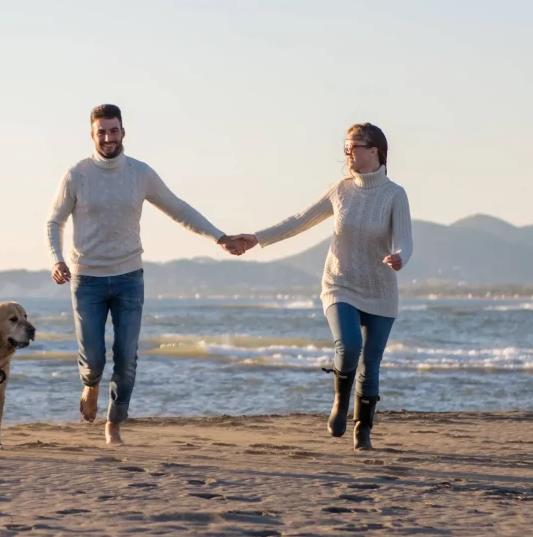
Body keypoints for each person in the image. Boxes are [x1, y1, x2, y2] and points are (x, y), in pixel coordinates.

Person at [47, 104, 235, 445]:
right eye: (102, 132)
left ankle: (114, 423)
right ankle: (90, 384)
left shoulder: (140, 173)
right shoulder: (76, 175)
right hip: (87, 280)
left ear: (123, 132)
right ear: (92, 135)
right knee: (93, 358)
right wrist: (57, 260)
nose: (108, 138)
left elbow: (178, 208)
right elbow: (54, 221)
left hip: (129, 277)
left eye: (113, 131)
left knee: (126, 357)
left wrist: (218, 237)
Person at [223, 122, 412, 451]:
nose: (347, 153)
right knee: (349, 346)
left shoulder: (394, 194)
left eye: (353, 147)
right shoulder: (340, 190)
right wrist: (256, 238)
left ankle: (363, 430)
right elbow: (300, 220)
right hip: (340, 283)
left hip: (380, 289)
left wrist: (399, 258)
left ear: (375, 151)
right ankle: (340, 400)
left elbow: (405, 241)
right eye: (345, 148)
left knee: (370, 364)